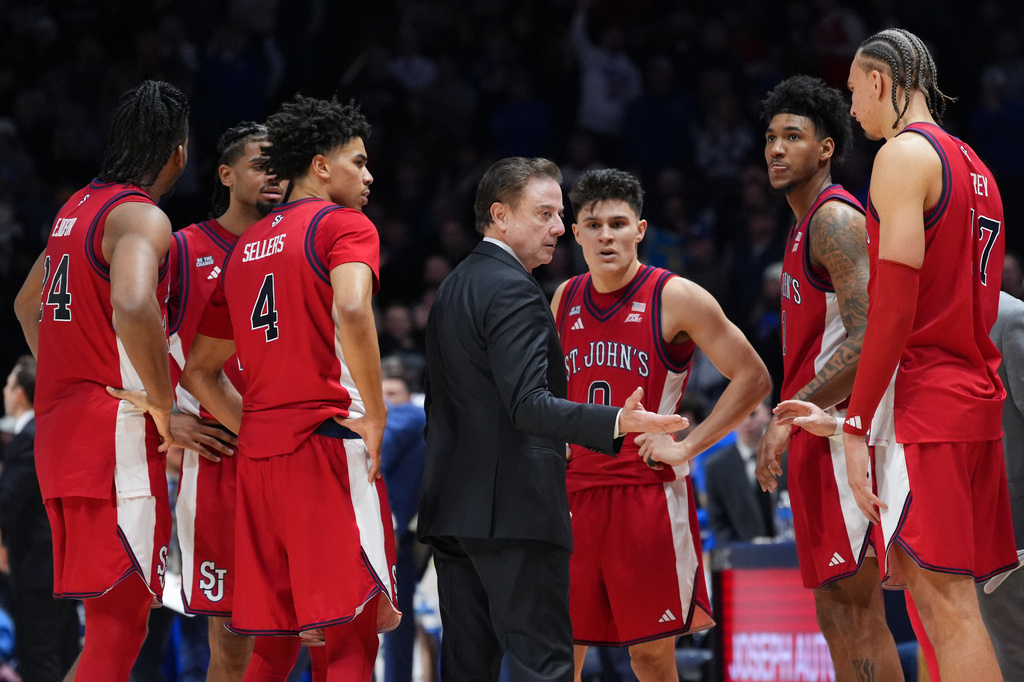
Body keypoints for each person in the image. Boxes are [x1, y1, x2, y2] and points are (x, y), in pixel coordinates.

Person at [783, 29, 1016, 681]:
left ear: (882, 82)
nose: (853, 110)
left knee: (948, 609)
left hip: (927, 406)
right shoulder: (974, 164)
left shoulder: (902, 157)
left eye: (855, 92)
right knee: (930, 596)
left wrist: (856, 422)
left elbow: (894, 309)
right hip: (971, 397)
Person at [419, 157, 686, 682]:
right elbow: (528, 405)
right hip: (514, 513)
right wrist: (617, 422)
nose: (559, 228)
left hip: (453, 511)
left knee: (466, 670)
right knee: (546, 667)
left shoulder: (454, 285)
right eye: (544, 214)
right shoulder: (515, 289)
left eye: (560, 215)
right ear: (500, 216)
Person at [11, 80, 226, 682]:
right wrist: (159, 404)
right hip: (114, 441)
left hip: (62, 434)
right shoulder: (141, 216)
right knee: (122, 623)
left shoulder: (74, 209)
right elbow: (133, 303)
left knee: (112, 618)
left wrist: (76, 374)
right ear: (179, 151)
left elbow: (28, 305)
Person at [178, 94, 398, 681]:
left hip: (260, 459)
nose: (368, 174)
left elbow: (199, 370)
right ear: (321, 166)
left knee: (274, 641)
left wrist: (255, 427)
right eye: (358, 161)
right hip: (328, 445)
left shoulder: (246, 247)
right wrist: (375, 414)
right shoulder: (344, 224)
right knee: (349, 633)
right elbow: (352, 307)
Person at [552, 167, 770, 682]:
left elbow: (754, 378)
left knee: (649, 657)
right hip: (572, 495)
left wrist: (689, 447)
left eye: (619, 223)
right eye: (594, 224)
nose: (607, 235)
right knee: (562, 654)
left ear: (641, 230)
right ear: (576, 232)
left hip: (645, 493)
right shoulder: (563, 299)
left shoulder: (677, 297)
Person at [754, 74, 904, 681]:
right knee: (833, 613)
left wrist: (786, 417)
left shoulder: (833, 219)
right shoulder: (797, 226)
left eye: (793, 136)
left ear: (825, 148)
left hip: (840, 433)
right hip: (813, 435)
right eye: (770, 137)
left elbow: (872, 340)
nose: (776, 149)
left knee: (859, 612)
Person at [166, 121, 281, 681]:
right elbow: (123, 337)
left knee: (311, 625)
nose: (275, 175)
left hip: (294, 454)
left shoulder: (301, 244)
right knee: (232, 641)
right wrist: (161, 413)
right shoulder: (185, 248)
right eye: (262, 163)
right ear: (227, 174)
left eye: (283, 164)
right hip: (221, 458)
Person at [0, 356, 79, 681]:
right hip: (59, 562)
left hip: (38, 567)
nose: (4, 391)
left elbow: (7, 502)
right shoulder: (51, 428)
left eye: (7, 385)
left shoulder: (32, 434)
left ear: (19, 393)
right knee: (64, 652)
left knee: (39, 657)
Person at [976, 291, 1024, 681]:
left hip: (1014, 523)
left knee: (1013, 654)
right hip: (966, 521)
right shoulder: (928, 318)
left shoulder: (1009, 318)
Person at [379, 357, 426, 682]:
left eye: (392, 394)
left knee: (398, 623)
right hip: (394, 532)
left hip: (393, 534)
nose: (385, 402)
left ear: (409, 395)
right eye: (380, 394)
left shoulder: (412, 414)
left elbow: (378, 449)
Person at [705, 400, 775, 544]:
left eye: (752, 414)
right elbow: (718, 521)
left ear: (767, 413)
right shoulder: (717, 466)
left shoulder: (788, 455)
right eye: (739, 416)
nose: (746, 421)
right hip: (743, 555)